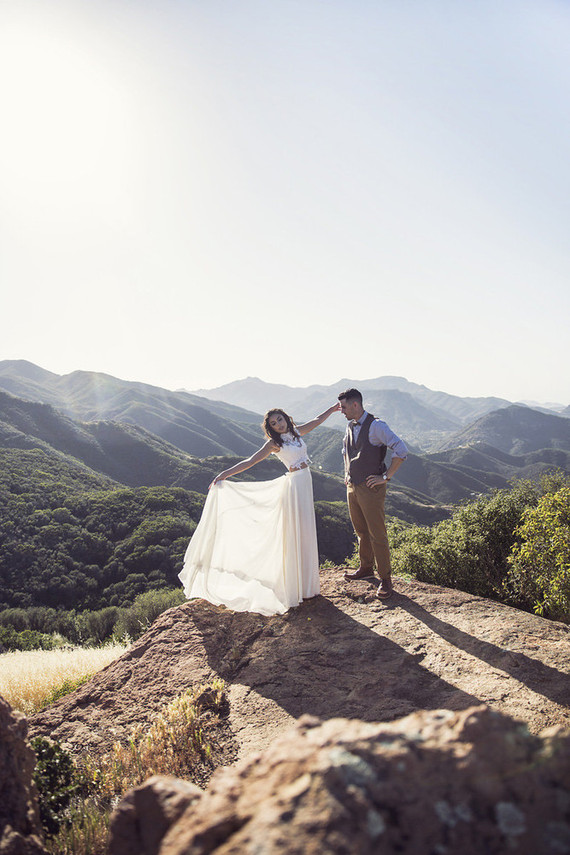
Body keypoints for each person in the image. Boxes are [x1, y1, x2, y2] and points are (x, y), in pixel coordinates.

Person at [178, 403, 340, 616]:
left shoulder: (296, 432)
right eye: (273, 423)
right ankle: (295, 588)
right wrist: (224, 474)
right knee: (295, 532)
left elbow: (317, 420)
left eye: (280, 419)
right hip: (293, 487)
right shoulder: (274, 444)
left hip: (305, 482)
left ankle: (307, 587)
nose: (278, 424)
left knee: (306, 531)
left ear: (286, 418)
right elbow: (251, 460)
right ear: (271, 428)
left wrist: (335, 408)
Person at [338, 388, 408, 599]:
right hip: (353, 486)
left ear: (355, 405)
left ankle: (386, 579)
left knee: (377, 534)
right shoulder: (350, 426)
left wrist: (386, 477)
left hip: (371, 488)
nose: (341, 411)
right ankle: (366, 568)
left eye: (343, 407)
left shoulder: (376, 426)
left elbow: (401, 449)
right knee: (361, 531)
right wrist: (347, 474)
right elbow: (345, 452)